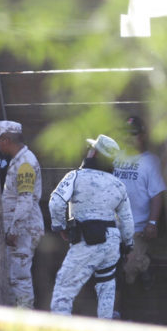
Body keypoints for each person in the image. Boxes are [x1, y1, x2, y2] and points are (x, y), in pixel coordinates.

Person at [49, 134, 134, 319]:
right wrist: (128, 246)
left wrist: (60, 226)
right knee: (106, 290)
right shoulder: (118, 184)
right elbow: (127, 222)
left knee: (64, 288)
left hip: (85, 239)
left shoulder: (75, 176)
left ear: (93, 152)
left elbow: (55, 203)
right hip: (111, 242)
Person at [112, 115, 166, 287]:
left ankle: (144, 264)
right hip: (115, 225)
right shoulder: (117, 157)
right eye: (126, 134)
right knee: (114, 270)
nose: (129, 138)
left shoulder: (150, 161)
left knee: (128, 269)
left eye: (133, 134)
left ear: (142, 136)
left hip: (138, 227)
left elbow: (157, 195)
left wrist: (152, 222)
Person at [0, 120, 44, 308]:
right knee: (13, 276)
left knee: (19, 277)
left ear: (6, 140)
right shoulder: (20, 160)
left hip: (23, 230)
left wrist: (14, 230)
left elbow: (25, 199)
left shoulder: (25, 163)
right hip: (21, 229)